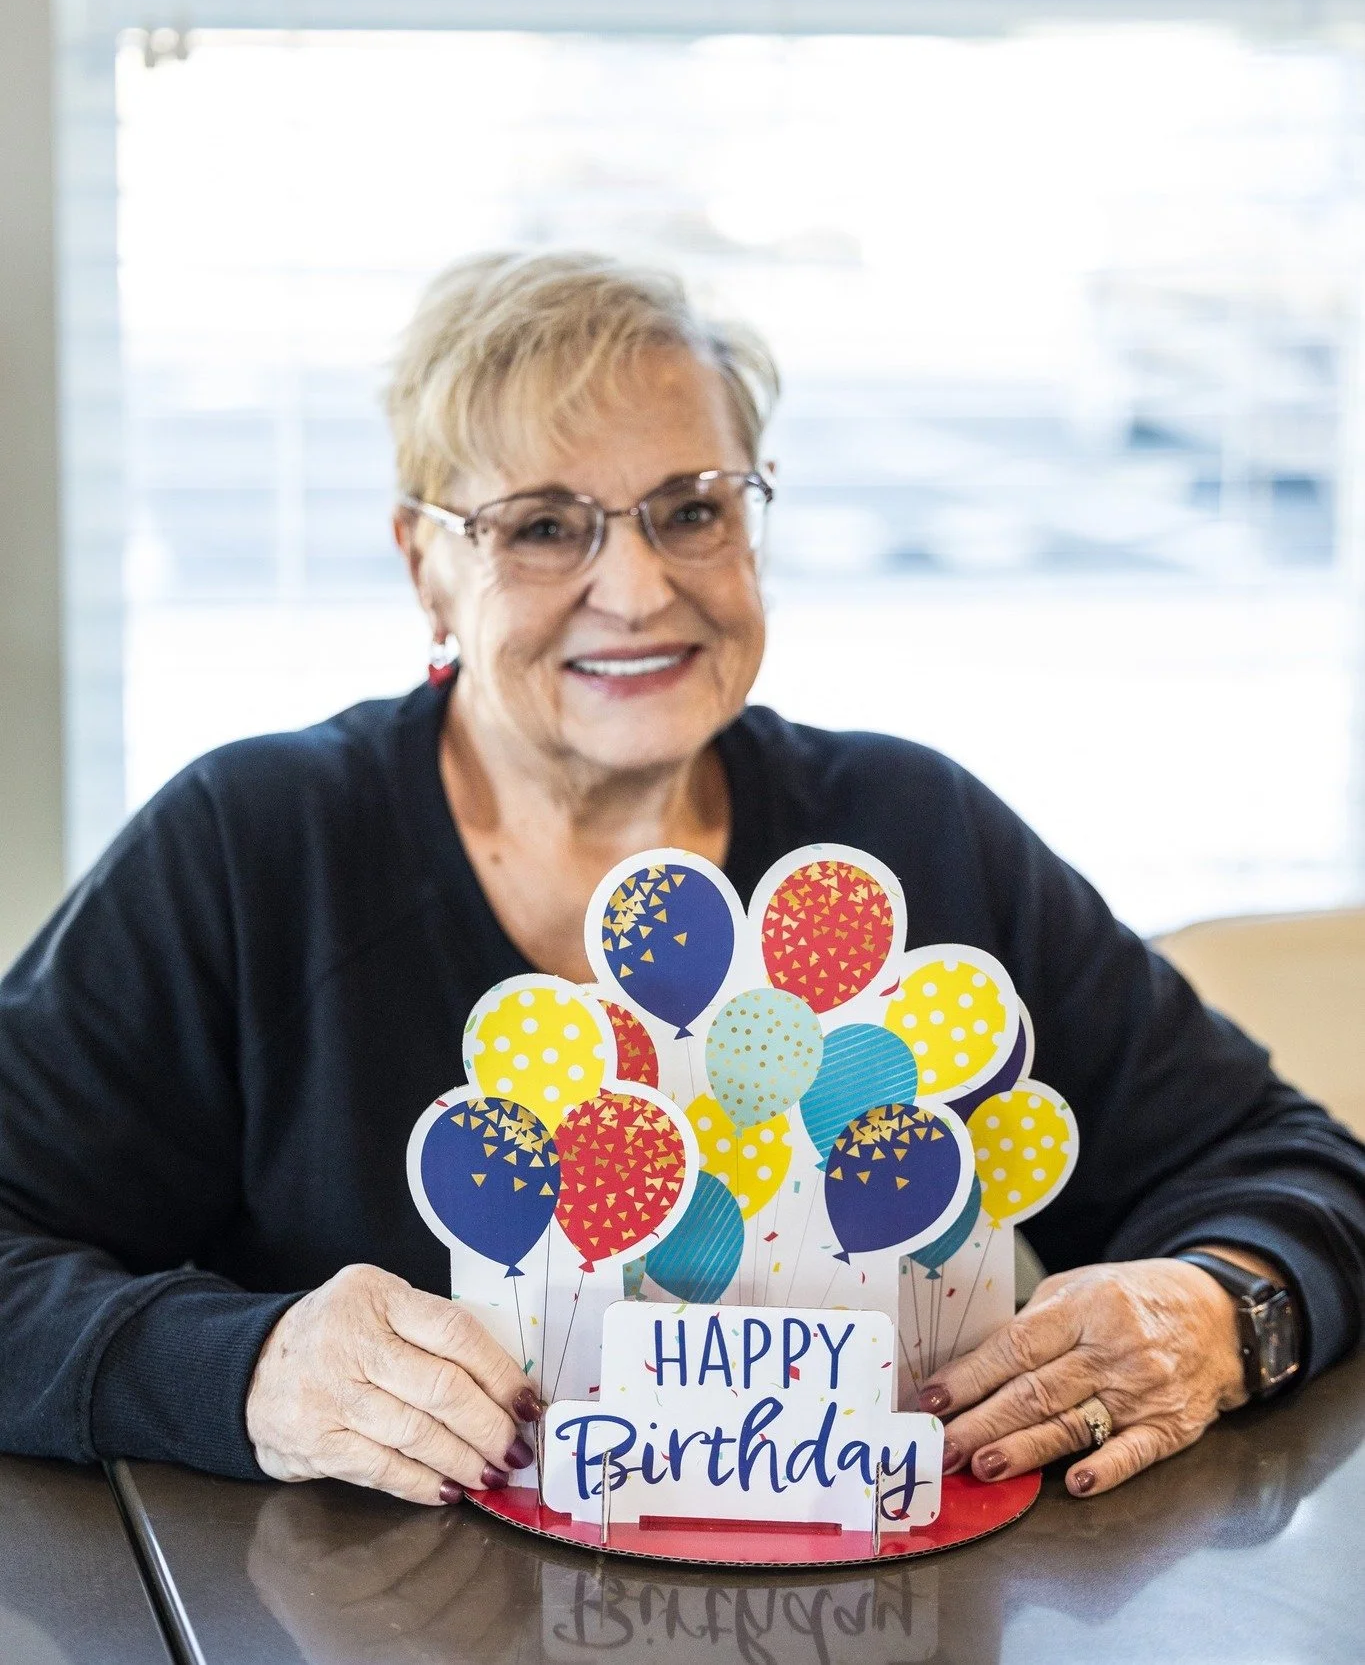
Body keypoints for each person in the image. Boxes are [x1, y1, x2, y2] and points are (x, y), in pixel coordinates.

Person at [1, 253, 1361, 1510]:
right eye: (544, 525)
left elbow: (1289, 1167)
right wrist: (245, 1368)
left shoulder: (909, 837)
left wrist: (1221, 1314)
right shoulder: (254, 847)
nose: (639, 587)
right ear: (428, 567)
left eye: (690, 509)